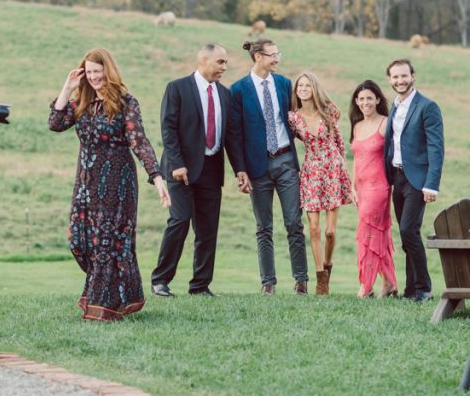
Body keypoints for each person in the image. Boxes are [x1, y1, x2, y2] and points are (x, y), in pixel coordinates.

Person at [49, 48, 170, 320]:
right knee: (80, 241)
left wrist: (157, 177)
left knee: (107, 243)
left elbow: (139, 142)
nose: (93, 77)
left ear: (108, 71)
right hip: (86, 183)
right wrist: (67, 87)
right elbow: (55, 123)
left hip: (118, 181)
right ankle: (122, 294)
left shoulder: (126, 103)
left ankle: (102, 308)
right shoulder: (81, 103)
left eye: (97, 72)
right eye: (89, 72)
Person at [150, 44, 247, 298]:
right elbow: (168, 130)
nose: (224, 68)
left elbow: (232, 137)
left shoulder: (225, 95)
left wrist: (240, 170)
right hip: (179, 169)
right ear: (203, 60)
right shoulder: (177, 88)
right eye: (220, 62)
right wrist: (177, 163)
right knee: (180, 221)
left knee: (207, 229)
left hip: (211, 169)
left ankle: (200, 285)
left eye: (225, 63)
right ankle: (160, 280)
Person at [229, 39, 309, 295]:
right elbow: (234, 133)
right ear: (257, 57)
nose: (277, 59)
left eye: (278, 54)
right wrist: (240, 170)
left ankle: (301, 280)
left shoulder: (285, 84)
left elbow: (296, 120)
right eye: (272, 55)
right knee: (263, 226)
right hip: (256, 165)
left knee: (294, 222)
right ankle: (268, 283)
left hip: (285, 160)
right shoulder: (238, 90)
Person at [383, 59, 444, 302]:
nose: (400, 81)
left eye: (404, 76)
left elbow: (436, 148)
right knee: (406, 233)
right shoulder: (395, 107)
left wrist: (432, 184)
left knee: (410, 230)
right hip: (396, 178)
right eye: (395, 77)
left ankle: (423, 289)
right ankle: (411, 290)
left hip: (417, 180)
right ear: (389, 80)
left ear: (413, 76)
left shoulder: (427, 107)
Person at [288, 72, 354, 295]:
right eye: (300, 86)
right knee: (314, 229)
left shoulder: (329, 111)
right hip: (311, 173)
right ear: (296, 91)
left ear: (314, 88)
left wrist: (345, 172)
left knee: (329, 232)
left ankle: (328, 265)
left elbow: (339, 141)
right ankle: (321, 280)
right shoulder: (293, 118)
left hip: (332, 170)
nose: (304, 89)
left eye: (308, 85)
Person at [349, 79, 398, 298]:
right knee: (379, 235)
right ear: (356, 102)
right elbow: (356, 158)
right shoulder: (357, 125)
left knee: (366, 233)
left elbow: (395, 153)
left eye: (370, 98)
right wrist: (352, 185)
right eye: (361, 99)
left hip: (379, 187)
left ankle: (365, 285)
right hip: (361, 187)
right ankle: (388, 283)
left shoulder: (386, 123)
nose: (365, 102)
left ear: (378, 99)